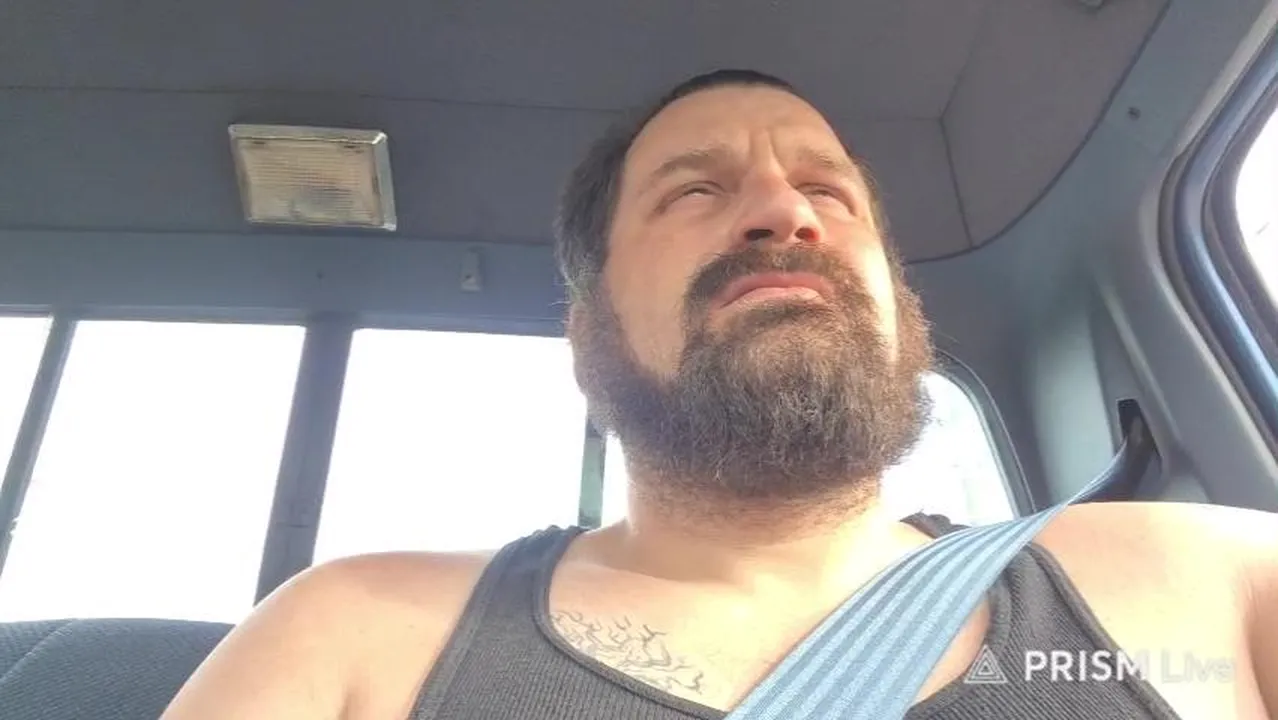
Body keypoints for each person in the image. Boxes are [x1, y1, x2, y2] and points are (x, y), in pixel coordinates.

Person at [162, 70, 1277, 719]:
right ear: (588, 329)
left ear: (898, 301)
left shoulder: (1215, 580)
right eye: (694, 191)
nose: (785, 212)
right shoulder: (356, 636)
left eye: (830, 191)